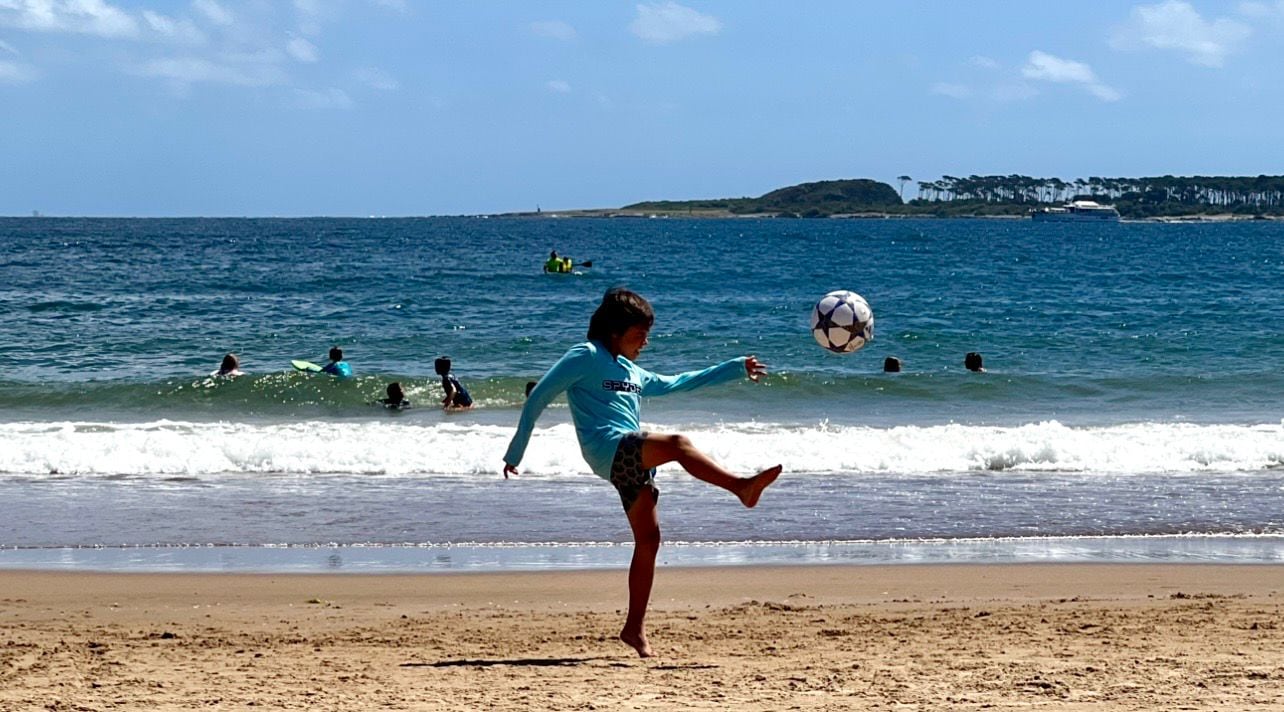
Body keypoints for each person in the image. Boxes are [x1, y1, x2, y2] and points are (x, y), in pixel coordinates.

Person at [502, 287, 781, 658]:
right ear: (614, 331)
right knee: (679, 443)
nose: (645, 343)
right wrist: (516, 451)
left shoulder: (632, 371)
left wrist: (733, 368)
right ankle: (741, 487)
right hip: (608, 447)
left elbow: (677, 382)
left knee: (649, 541)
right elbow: (539, 397)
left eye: (647, 335)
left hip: (628, 460)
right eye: (639, 335)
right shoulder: (586, 355)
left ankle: (634, 629)